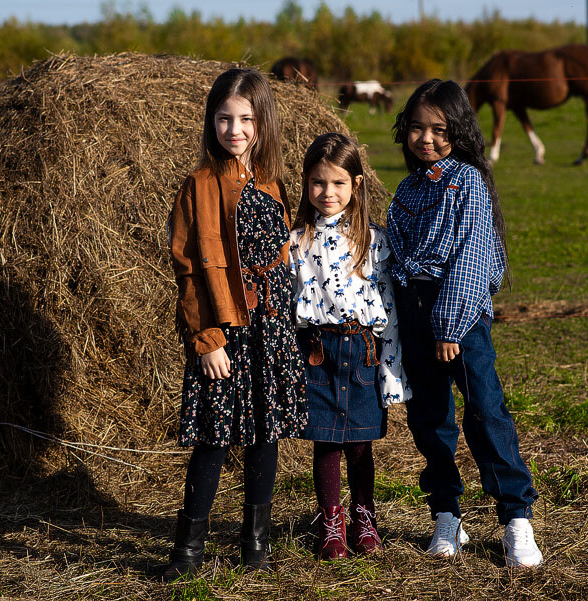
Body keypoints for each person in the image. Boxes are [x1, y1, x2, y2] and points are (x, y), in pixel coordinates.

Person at [387, 79, 543, 568]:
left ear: (458, 131)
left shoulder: (468, 181)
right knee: (430, 417)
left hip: (457, 317)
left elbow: (472, 258)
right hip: (414, 312)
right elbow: (395, 252)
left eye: (439, 129)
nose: (426, 138)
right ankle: (446, 514)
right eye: (416, 128)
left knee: (484, 412)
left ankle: (516, 518)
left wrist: (449, 327)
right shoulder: (408, 188)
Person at [164, 67, 307, 581]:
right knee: (214, 437)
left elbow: (284, 255)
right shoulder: (198, 185)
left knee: (265, 433)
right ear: (211, 122)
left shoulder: (273, 183)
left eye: (246, 118)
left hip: (271, 329)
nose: (235, 130)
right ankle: (188, 551)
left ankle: (256, 545)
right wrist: (205, 339)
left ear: (262, 122)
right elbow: (187, 269)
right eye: (224, 119)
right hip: (225, 330)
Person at [289, 133, 411, 559]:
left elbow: (390, 308)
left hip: (363, 352)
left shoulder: (374, 242)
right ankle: (331, 524)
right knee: (326, 442)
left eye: (338, 183)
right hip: (317, 354)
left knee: (360, 444)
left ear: (356, 184)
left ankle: (364, 517)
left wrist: (392, 376)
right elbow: (287, 308)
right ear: (306, 184)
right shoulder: (295, 242)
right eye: (319, 183)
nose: (328, 193)